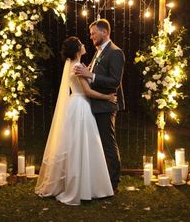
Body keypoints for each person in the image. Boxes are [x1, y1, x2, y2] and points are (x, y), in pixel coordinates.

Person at [35, 36, 117, 205]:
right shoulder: (77, 66)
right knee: (84, 144)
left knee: (74, 145)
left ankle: (77, 182)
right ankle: (86, 186)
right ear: (77, 49)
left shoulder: (73, 65)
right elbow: (87, 91)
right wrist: (107, 97)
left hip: (74, 105)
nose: (84, 44)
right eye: (81, 44)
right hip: (81, 105)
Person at [74, 19, 125, 193]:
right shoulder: (98, 52)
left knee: (108, 145)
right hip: (96, 104)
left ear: (104, 32)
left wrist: (91, 75)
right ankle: (101, 180)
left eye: (93, 33)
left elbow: (115, 81)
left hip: (106, 105)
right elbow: (92, 75)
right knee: (99, 145)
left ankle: (113, 184)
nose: (91, 36)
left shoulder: (115, 52)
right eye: (90, 34)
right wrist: (86, 73)